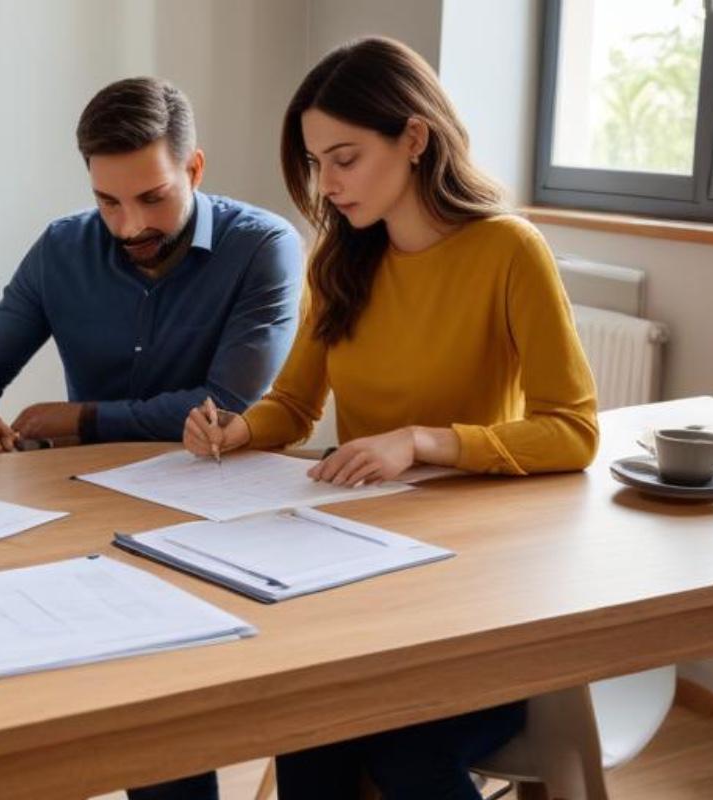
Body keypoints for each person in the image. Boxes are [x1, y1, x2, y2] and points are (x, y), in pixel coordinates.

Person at [183, 37, 598, 799]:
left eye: (345, 157)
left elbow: (573, 430)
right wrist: (236, 430)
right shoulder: (338, 261)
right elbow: (295, 405)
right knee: (310, 740)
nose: (327, 184)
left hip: (478, 590)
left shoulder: (509, 251)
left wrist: (422, 443)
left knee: (409, 756)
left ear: (414, 138)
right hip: (361, 569)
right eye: (316, 163)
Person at [0, 77, 303, 455]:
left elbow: (227, 406)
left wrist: (87, 419)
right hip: (91, 487)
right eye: (108, 202)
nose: (130, 227)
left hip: (221, 484)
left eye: (153, 198)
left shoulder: (263, 247)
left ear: (194, 170)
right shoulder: (61, 250)